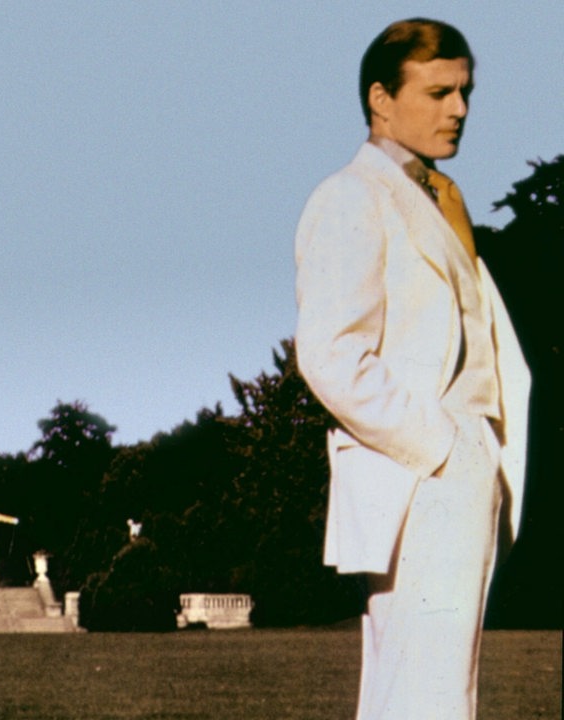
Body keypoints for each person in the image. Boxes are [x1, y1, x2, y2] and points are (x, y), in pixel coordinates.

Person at [293, 18, 531, 720]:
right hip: (421, 474)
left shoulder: (439, 197)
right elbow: (332, 352)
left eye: (464, 92)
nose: (458, 109)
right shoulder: (351, 196)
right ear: (380, 99)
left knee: (429, 688)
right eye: (437, 92)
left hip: (462, 469)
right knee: (427, 692)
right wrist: (441, 446)